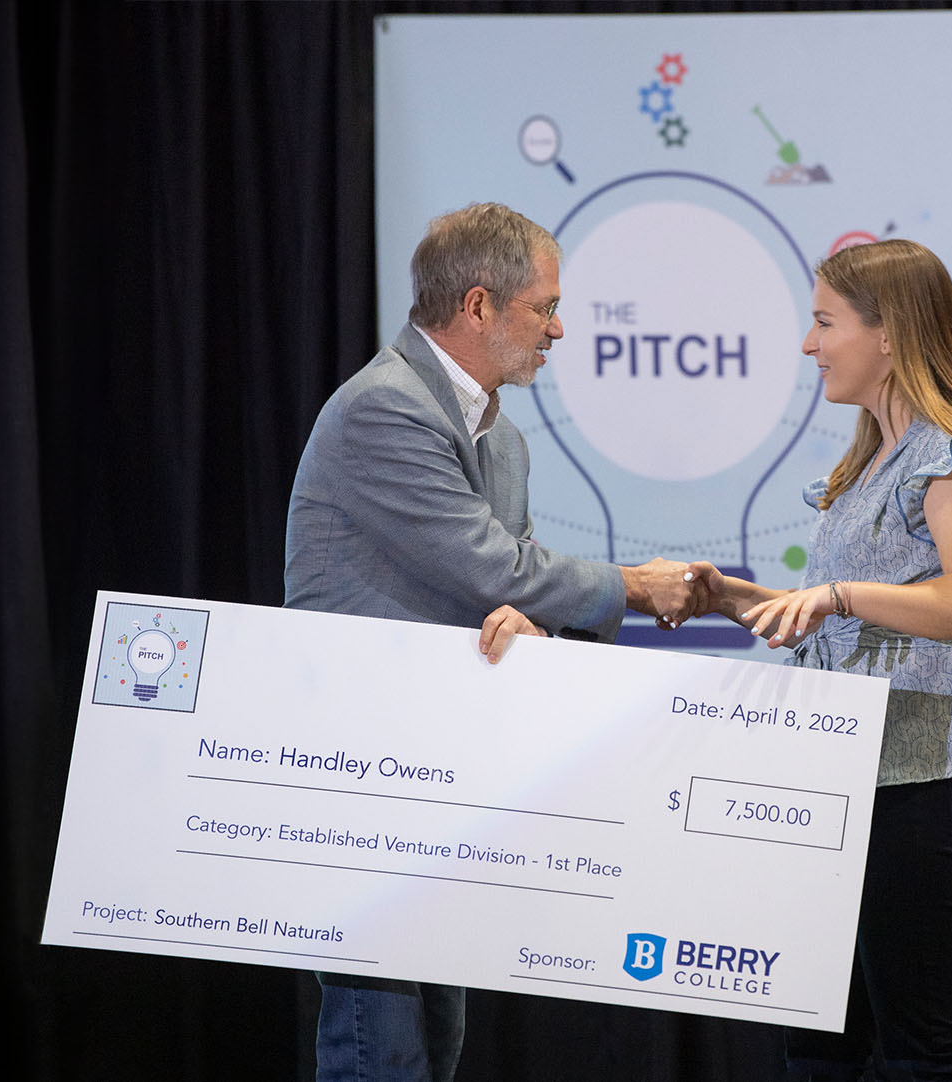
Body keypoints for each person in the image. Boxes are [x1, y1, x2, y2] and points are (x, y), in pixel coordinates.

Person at [284, 201, 702, 1082]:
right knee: (379, 1049)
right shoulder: (382, 409)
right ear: (478, 306)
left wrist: (535, 622)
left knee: (437, 1045)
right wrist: (630, 585)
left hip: (450, 769)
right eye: (544, 307)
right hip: (362, 775)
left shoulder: (501, 436)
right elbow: (488, 564)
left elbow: (502, 601)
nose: (559, 327)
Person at [688, 238, 952, 1081]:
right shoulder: (871, 456)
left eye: (823, 323)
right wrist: (731, 597)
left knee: (923, 1052)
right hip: (840, 780)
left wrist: (839, 595)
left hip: (930, 782)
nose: (809, 346)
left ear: (889, 334)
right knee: (815, 1042)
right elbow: (848, 618)